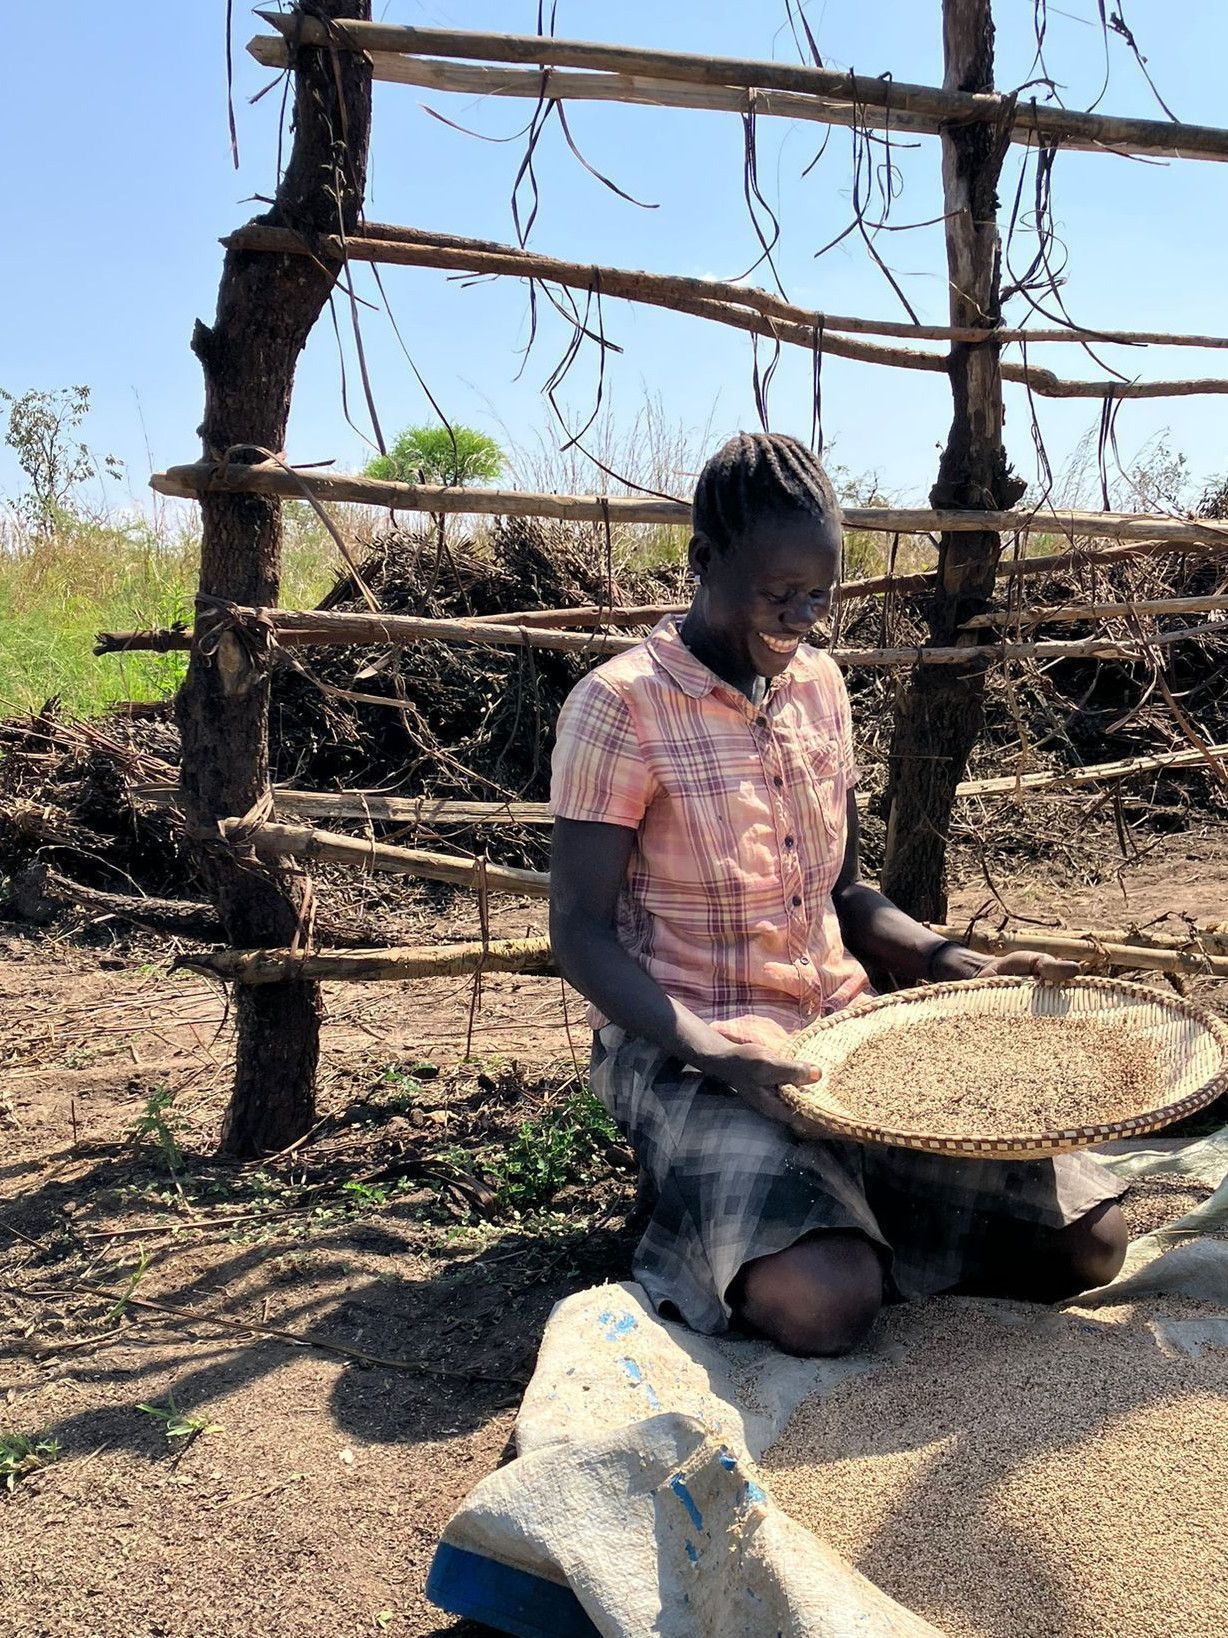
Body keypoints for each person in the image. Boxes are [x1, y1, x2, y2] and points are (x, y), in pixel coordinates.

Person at [548, 431, 1127, 1357]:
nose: (803, 620)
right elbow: (578, 932)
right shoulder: (620, 707)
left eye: (820, 596)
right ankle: (753, 1221)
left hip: (844, 1044)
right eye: (781, 596)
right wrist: (713, 1048)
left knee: (1090, 1245)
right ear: (703, 562)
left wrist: (952, 963)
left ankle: (825, 1203)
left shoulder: (817, 686)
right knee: (828, 1306)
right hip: (694, 1046)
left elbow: (849, 893)